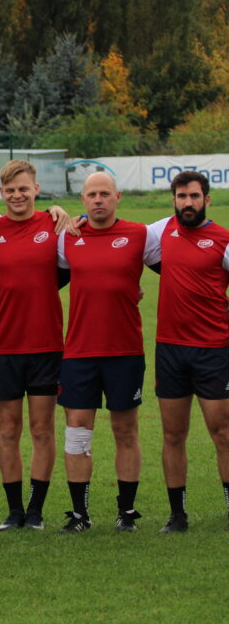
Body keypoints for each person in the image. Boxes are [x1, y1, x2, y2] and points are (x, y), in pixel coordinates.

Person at [56, 172, 158, 533]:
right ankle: (80, 515)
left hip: (125, 352)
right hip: (80, 352)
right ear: (82, 200)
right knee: (77, 432)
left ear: (118, 197)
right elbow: (35, 280)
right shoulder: (68, 238)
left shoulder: (141, 235)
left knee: (125, 430)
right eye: (91, 194)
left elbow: (178, 269)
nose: (98, 200)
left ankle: (126, 513)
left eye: (105, 194)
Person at [0, 161, 65, 531]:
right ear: (2, 193)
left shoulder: (55, 223)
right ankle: (14, 511)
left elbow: (91, 260)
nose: (17, 196)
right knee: (8, 430)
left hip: (46, 344)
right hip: (2, 344)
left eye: (23, 189)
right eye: (10, 190)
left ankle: (36, 511)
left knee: (42, 429)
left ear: (36, 189)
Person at [145, 171, 229, 532]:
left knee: (222, 432)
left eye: (194, 196)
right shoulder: (160, 231)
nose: (187, 203)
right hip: (170, 350)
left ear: (206, 200)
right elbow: (115, 231)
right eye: (181, 197)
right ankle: (177, 516)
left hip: (213, 351)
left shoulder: (224, 240)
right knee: (172, 434)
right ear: (173, 200)